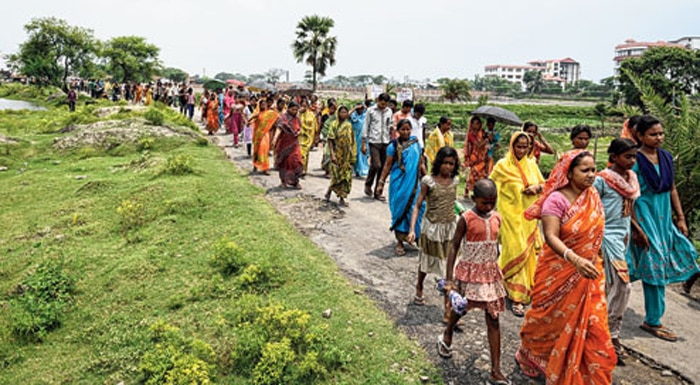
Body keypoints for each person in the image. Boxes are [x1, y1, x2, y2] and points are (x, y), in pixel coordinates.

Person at [517, 150, 616, 384]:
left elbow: (596, 234)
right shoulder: (556, 199)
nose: (592, 175)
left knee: (593, 324)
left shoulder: (592, 197)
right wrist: (575, 259)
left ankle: (581, 366)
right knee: (547, 319)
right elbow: (550, 236)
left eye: (594, 169)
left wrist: (593, 259)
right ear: (569, 173)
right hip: (558, 272)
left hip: (589, 273)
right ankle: (532, 356)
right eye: (585, 170)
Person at [627, 115, 700, 342]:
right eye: (653, 134)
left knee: (681, 253)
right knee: (653, 265)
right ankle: (653, 320)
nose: (659, 138)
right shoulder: (634, 160)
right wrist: (636, 226)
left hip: (663, 219)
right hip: (644, 217)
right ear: (640, 136)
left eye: (661, 133)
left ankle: (601, 301)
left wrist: (680, 217)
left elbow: (671, 188)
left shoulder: (666, 157)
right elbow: (628, 195)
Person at [437, 178, 509, 385]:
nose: (488, 206)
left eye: (492, 202)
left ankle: (496, 369)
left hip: (489, 274)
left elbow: (494, 245)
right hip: (469, 273)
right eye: (484, 202)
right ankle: (447, 333)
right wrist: (449, 279)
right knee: (460, 309)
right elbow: (454, 246)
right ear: (473, 199)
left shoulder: (497, 217)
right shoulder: (466, 219)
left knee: (493, 318)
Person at [593, 138, 640, 365]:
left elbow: (629, 210)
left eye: (634, 156)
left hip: (623, 237)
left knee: (609, 287)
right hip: (606, 237)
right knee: (623, 286)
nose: (632, 161)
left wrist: (638, 230)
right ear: (613, 157)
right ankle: (611, 335)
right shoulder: (601, 181)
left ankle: (602, 332)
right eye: (627, 156)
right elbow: (591, 210)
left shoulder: (632, 180)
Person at [489, 132, 544, 317]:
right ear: (512, 146)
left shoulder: (532, 164)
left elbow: (545, 185)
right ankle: (517, 298)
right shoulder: (502, 166)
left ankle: (517, 287)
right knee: (515, 249)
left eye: (525, 147)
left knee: (528, 254)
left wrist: (536, 188)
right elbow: (490, 188)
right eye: (518, 146)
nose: (521, 150)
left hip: (529, 217)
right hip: (510, 216)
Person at [407, 147, 459, 309]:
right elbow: (417, 205)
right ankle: (419, 286)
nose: (448, 167)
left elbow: (452, 202)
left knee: (449, 265)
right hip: (432, 229)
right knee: (426, 262)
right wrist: (411, 230)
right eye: (445, 163)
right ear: (438, 163)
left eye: (451, 164)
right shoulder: (428, 182)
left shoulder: (455, 181)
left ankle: (448, 308)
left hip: (450, 228)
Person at [376, 119, 426, 256]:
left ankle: (416, 236)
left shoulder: (415, 143)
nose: (406, 132)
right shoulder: (392, 146)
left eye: (408, 129)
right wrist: (380, 183)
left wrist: (427, 179)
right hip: (399, 184)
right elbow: (387, 165)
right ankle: (400, 242)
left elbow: (421, 162)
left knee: (419, 208)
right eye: (403, 129)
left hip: (414, 184)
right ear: (398, 131)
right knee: (400, 211)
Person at [362, 93, 393, 201]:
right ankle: (368, 183)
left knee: (383, 168)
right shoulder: (371, 111)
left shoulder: (389, 111)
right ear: (378, 101)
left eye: (385, 104)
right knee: (377, 164)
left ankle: (378, 191)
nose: (383, 106)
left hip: (385, 141)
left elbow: (390, 125)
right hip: (373, 141)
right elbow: (366, 126)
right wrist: (363, 143)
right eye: (381, 103)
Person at [325, 106, 356, 206]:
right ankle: (330, 190)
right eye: (341, 112)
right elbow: (330, 140)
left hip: (347, 155)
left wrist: (353, 155)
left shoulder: (349, 125)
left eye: (345, 112)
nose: (343, 114)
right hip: (337, 154)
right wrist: (332, 154)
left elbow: (353, 141)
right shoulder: (334, 125)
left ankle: (342, 197)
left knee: (346, 176)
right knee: (336, 176)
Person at [274, 101, 303, 189]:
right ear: (288, 108)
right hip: (284, 144)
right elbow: (279, 128)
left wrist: (299, 132)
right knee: (285, 163)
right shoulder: (283, 118)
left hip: (294, 144)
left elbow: (300, 128)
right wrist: (275, 139)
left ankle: (295, 181)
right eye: (292, 109)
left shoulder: (297, 118)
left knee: (296, 161)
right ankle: (283, 181)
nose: (294, 111)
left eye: (296, 110)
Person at [248, 99, 279, 175]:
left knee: (264, 150)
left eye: (264, 104)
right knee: (256, 150)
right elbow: (250, 120)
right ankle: (255, 165)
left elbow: (276, 117)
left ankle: (265, 168)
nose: (263, 106)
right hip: (257, 135)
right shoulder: (257, 114)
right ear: (259, 105)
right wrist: (250, 121)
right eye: (262, 104)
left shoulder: (269, 113)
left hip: (265, 135)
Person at [464, 116, 489, 197]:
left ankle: (478, 193)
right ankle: (467, 190)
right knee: (472, 174)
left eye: (478, 123)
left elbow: (487, 142)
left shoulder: (483, 132)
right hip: (474, 157)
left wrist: (490, 137)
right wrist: (486, 140)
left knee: (481, 175)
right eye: (474, 123)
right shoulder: (471, 135)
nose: (476, 125)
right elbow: (478, 145)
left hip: (482, 157)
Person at [350, 102, 369, 177]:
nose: (360, 110)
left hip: (364, 138)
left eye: (362, 109)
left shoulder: (365, 115)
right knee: (356, 154)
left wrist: (365, 107)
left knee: (363, 154)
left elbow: (371, 111)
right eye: (359, 109)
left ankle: (363, 169)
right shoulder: (353, 116)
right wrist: (355, 108)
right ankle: (356, 170)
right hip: (355, 138)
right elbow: (348, 115)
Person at [299, 99, 318, 175]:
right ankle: (300, 169)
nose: (304, 107)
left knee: (306, 154)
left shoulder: (311, 115)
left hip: (309, 137)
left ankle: (304, 169)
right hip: (299, 137)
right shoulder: (298, 113)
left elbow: (315, 126)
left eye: (305, 105)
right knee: (301, 153)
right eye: (302, 105)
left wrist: (315, 138)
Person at [320, 102, 338, 178]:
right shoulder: (325, 116)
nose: (333, 110)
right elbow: (321, 125)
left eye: (334, 109)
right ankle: (327, 170)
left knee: (333, 154)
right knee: (326, 154)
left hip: (334, 137)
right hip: (325, 137)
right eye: (331, 108)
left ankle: (331, 171)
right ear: (329, 108)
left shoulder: (336, 117)